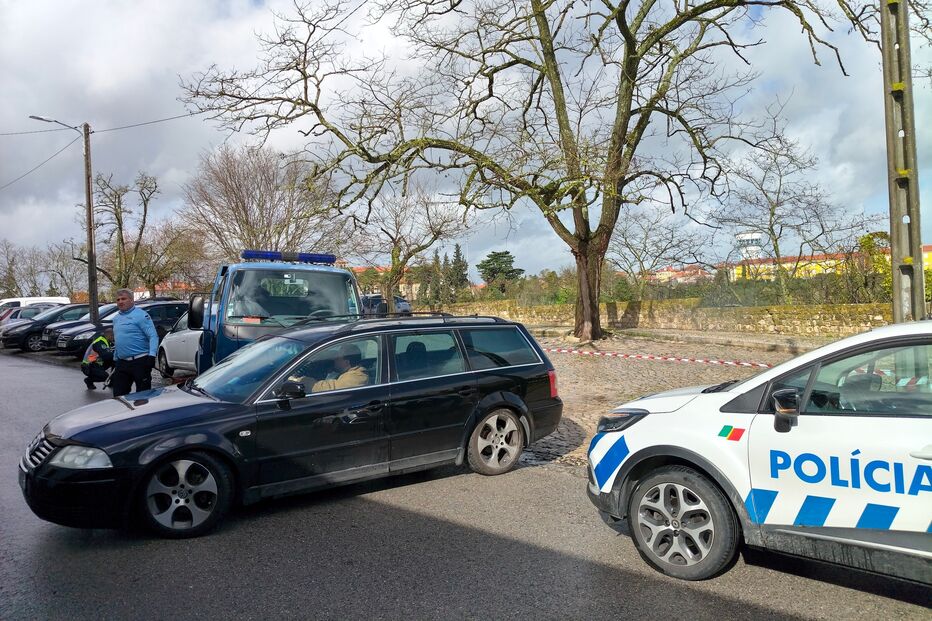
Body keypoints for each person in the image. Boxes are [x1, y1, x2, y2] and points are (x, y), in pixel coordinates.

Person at [110, 289, 159, 397]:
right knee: (118, 396)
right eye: (118, 300)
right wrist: (115, 359)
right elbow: (118, 339)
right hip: (122, 363)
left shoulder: (141, 315)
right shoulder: (116, 319)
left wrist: (152, 356)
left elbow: (153, 336)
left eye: (124, 299)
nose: (120, 302)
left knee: (142, 396)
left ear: (132, 300)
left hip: (140, 361)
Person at [289, 344, 368, 393]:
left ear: (346, 362)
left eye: (338, 357)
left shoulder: (358, 377)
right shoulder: (343, 371)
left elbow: (327, 388)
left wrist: (298, 381)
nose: (334, 359)